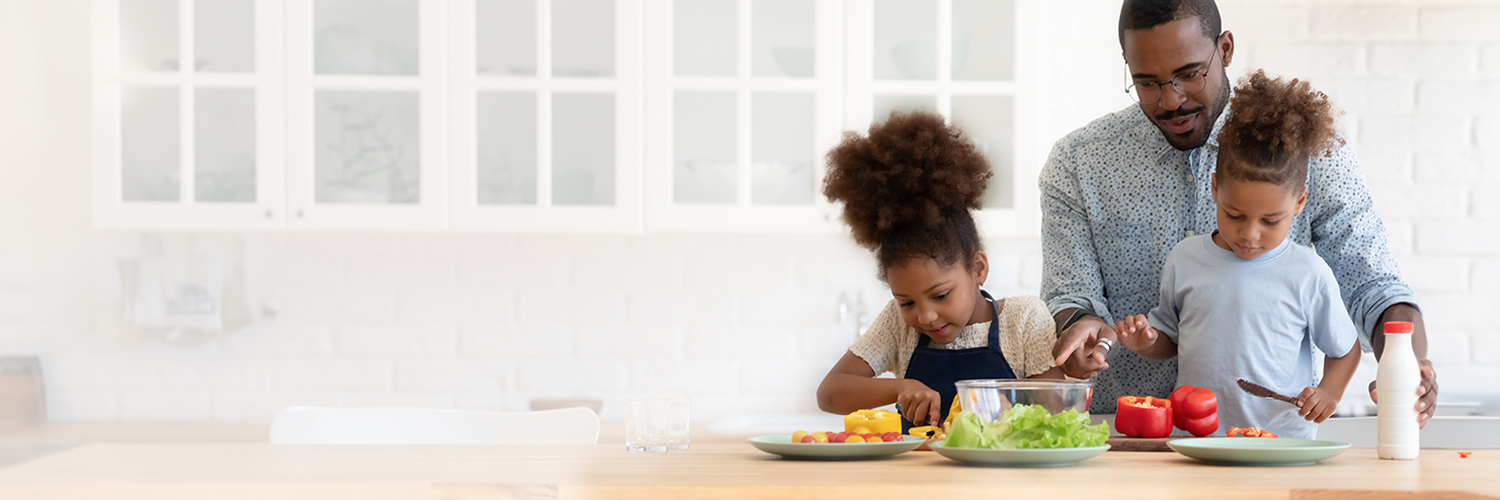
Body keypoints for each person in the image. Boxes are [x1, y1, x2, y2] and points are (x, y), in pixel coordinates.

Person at [1041, 0, 1437, 424]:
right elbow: (1070, 294)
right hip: (1123, 434)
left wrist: (1410, 361)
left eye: (1189, 74)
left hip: (1266, 442)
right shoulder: (1078, 163)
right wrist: (1078, 323)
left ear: (1225, 49)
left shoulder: (1309, 154)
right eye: (1147, 82)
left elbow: (1372, 283)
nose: (1170, 100)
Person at [1111, 70, 1361, 439]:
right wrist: (1145, 342)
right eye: (1235, 215)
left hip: (1281, 442)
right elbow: (1170, 338)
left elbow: (1346, 349)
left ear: (1300, 203)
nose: (1250, 234)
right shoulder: (1185, 260)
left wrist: (1330, 391)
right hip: (1197, 443)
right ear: (1214, 188)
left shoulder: (1307, 272)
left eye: (1270, 221)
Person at [816, 111, 1062, 431]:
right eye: (907, 302)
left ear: (977, 268)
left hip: (1002, 479)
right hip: (912, 480)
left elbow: (1056, 410)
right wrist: (901, 387)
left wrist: (1003, 406)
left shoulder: (1024, 320)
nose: (925, 316)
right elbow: (829, 394)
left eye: (941, 295)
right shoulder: (897, 325)